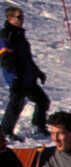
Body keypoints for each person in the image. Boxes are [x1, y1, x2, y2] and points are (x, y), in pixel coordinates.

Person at [0, 5, 47, 141]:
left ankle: (38, 126)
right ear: (10, 18)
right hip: (17, 77)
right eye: (19, 17)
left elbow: (27, 58)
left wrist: (37, 72)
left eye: (23, 17)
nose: (22, 20)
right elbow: (5, 57)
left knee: (42, 101)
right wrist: (13, 76)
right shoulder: (7, 34)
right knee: (16, 104)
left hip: (28, 77)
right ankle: (5, 133)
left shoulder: (20, 35)